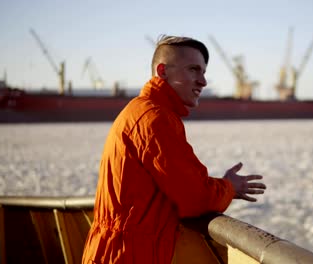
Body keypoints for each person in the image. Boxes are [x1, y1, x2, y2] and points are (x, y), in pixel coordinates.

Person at [82, 35, 266, 263]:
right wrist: (229, 187)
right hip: (128, 255)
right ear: (162, 71)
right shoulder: (155, 119)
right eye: (193, 70)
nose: (203, 81)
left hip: (117, 251)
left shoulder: (141, 111)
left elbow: (177, 183)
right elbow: (196, 199)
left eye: (204, 72)